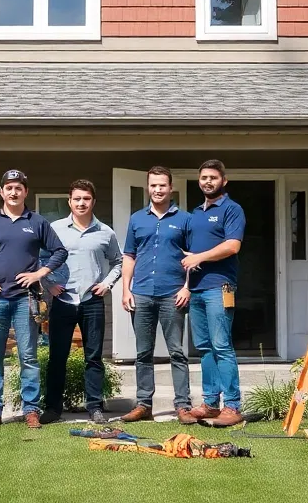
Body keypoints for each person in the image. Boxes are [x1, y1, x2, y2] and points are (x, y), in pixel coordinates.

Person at [0, 169, 68, 429]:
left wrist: (40, 273)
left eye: (19, 188)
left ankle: (31, 410)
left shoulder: (36, 222)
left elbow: (60, 252)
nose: (14, 192)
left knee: (28, 356)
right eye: (9, 188)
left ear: (26, 192)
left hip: (26, 300)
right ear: (1, 192)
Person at [40, 179, 122, 425]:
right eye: (77, 199)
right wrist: (49, 285)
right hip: (63, 300)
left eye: (86, 199)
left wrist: (107, 284)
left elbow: (118, 262)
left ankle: (95, 407)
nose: (81, 203)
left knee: (94, 357)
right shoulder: (55, 229)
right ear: (69, 201)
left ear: (93, 202)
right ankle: (53, 408)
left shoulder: (105, 232)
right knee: (57, 357)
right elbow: (41, 259)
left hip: (92, 301)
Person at [119, 166, 196, 424]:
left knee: (177, 352)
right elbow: (129, 255)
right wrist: (125, 289)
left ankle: (183, 406)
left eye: (162, 185)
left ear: (170, 188)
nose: (158, 189)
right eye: (153, 185)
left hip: (173, 295)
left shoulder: (185, 219)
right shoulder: (137, 219)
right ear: (148, 187)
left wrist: (187, 287)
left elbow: (193, 258)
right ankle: (144, 404)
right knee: (143, 353)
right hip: (141, 293)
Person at [182, 159, 247, 427]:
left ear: (223, 181)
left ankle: (232, 406)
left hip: (220, 287)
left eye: (213, 177)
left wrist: (200, 257)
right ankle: (210, 404)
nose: (208, 182)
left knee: (222, 346)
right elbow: (187, 256)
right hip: (196, 288)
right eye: (204, 177)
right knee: (205, 348)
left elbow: (232, 246)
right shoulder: (195, 213)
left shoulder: (232, 209)